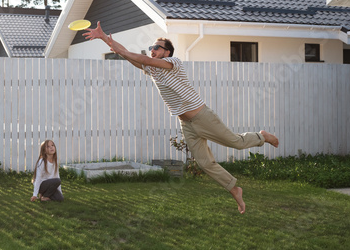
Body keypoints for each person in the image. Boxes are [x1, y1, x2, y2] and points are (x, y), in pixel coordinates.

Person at [83, 22, 279, 214]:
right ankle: (234, 189)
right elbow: (127, 54)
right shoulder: (152, 69)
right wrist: (104, 38)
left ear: (167, 52)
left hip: (202, 116)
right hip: (186, 123)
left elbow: (139, 58)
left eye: (156, 48)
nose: (152, 50)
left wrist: (123, 51)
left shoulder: (174, 63)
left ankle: (262, 136)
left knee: (235, 142)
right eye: (151, 47)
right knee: (204, 162)